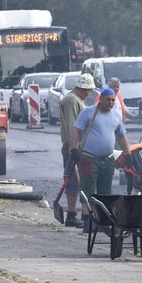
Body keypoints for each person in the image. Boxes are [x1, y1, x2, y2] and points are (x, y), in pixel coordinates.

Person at [70, 87, 132, 232]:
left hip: (108, 159)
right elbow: (76, 130)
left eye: (113, 100)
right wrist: (73, 149)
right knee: (88, 190)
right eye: (108, 100)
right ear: (101, 99)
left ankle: (102, 221)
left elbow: (121, 136)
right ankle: (87, 220)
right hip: (88, 158)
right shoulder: (88, 112)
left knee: (105, 192)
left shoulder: (115, 116)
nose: (111, 103)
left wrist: (128, 154)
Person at [58, 73, 95, 227]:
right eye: (88, 90)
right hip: (73, 147)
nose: (89, 94)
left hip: (78, 147)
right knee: (74, 180)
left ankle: (77, 214)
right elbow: (72, 127)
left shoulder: (76, 100)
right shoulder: (72, 101)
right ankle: (71, 215)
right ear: (82, 88)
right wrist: (75, 148)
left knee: (79, 180)